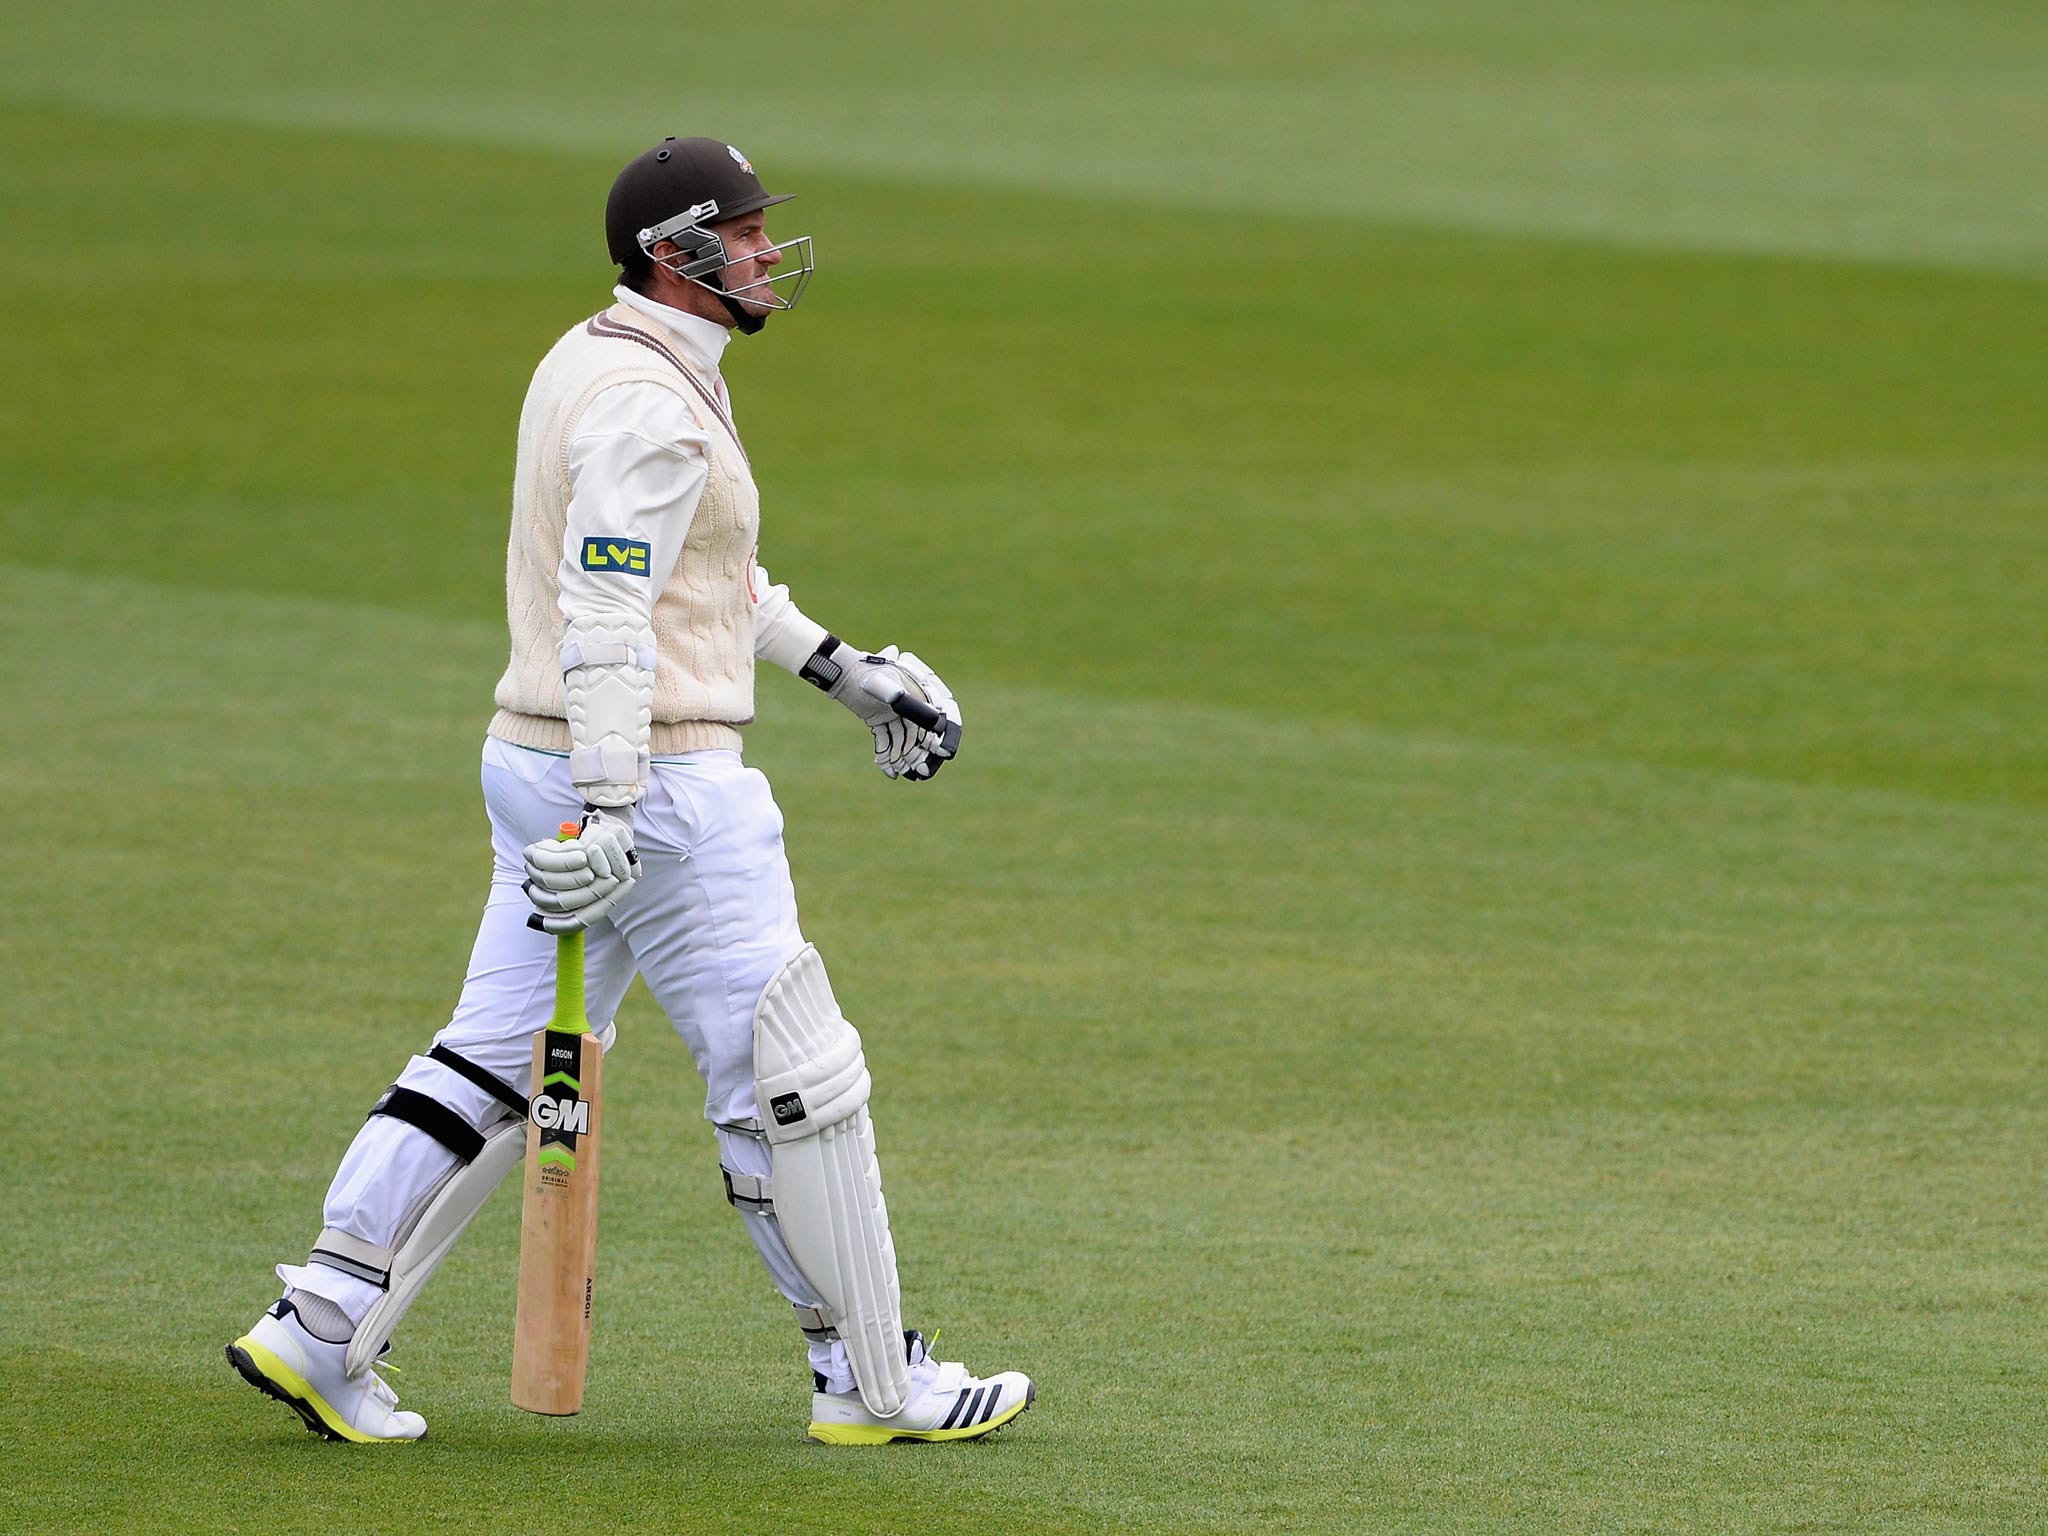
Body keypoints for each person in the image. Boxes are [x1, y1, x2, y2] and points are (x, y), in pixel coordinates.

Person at [225, 136, 1033, 1447]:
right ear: (680, 251)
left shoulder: (596, 359)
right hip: (651, 783)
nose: (773, 252)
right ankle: (873, 1383)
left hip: (538, 758)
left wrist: (844, 673)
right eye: (751, 232)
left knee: (490, 1059)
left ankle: (323, 1322)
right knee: (792, 1075)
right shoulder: (654, 404)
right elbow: (607, 604)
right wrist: (610, 804)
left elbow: (701, 581)